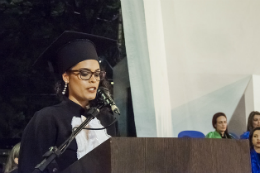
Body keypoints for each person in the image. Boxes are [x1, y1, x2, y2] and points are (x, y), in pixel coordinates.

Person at [18, 31, 119, 173]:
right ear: (66, 77)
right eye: (84, 73)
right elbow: (30, 166)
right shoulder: (48, 119)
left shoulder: (106, 120)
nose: (93, 80)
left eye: (97, 74)